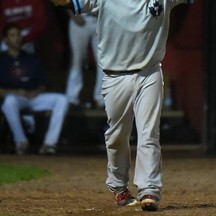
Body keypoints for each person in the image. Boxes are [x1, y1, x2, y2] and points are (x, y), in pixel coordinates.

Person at [51, 0, 193, 211]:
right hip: (115, 76)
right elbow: (67, 3)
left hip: (149, 73)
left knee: (149, 133)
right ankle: (119, 186)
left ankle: (149, 189)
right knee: (117, 136)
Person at [0, 23, 69, 155]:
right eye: (12, 35)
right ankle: (21, 142)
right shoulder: (1, 59)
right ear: (5, 39)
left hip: (33, 97)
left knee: (61, 100)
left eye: (18, 35)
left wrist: (36, 92)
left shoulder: (30, 58)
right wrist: (14, 92)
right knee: (9, 101)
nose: (17, 38)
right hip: (13, 98)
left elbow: (42, 83)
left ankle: (49, 144)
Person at [66, 12, 104, 108]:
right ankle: (72, 98)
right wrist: (72, 12)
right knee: (76, 60)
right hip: (80, 16)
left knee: (103, 61)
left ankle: (101, 99)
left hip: (100, 18)